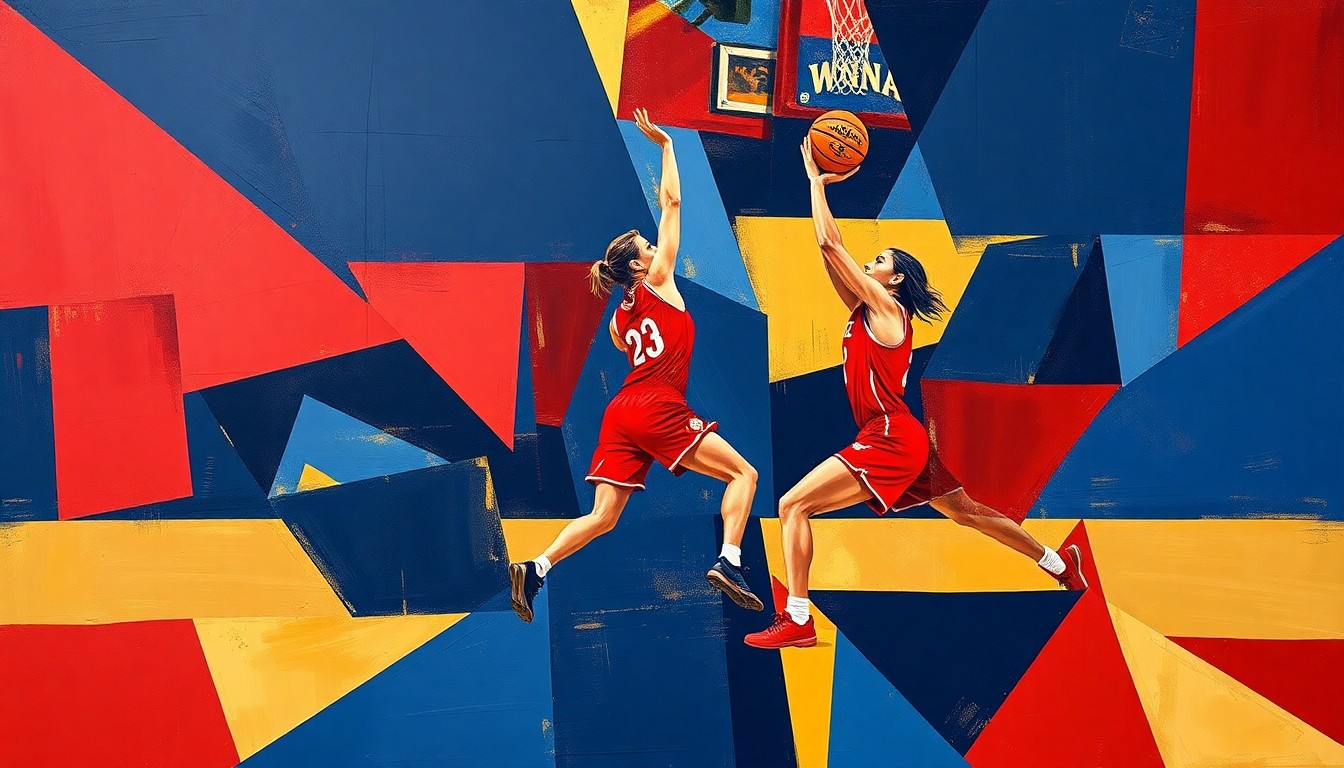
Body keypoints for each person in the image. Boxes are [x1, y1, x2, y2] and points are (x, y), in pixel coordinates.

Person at [744, 139, 1086, 649]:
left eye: (879, 260)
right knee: (967, 511)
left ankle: (797, 617)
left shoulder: (886, 310)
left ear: (895, 280)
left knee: (794, 505)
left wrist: (816, 183)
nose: (869, 262)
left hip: (888, 435)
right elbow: (832, 262)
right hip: (902, 436)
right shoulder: (864, 312)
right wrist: (830, 235)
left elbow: (830, 246)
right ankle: (1059, 564)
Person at [509, 109, 764, 622]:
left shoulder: (617, 319)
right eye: (648, 248)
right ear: (638, 266)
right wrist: (667, 147)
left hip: (621, 410)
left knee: (603, 517)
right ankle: (730, 561)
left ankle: (535, 568)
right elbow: (672, 200)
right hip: (655, 404)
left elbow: (637, 348)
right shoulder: (660, 280)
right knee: (744, 473)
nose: (656, 246)